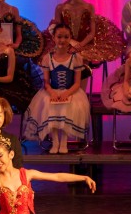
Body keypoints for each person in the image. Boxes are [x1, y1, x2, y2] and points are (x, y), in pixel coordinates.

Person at [24, 24, 90, 153]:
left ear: (70, 38)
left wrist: (67, 93)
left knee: (68, 107)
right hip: (52, 90)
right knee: (49, 105)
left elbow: (77, 83)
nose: (62, 40)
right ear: (54, 38)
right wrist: (52, 93)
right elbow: (46, 82)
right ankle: (55, 141)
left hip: (71, 91)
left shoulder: (76, 58)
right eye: (59, 37)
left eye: (66, 37)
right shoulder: (47, 58)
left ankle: (64, 142)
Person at [42, 0, 125, 68]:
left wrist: (79, 45)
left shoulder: (89, 7)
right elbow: (58, 31)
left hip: (84, 45)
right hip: (65, 43)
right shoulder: (60, 8)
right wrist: (71, 42)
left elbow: (91, 33)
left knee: (83, 61)